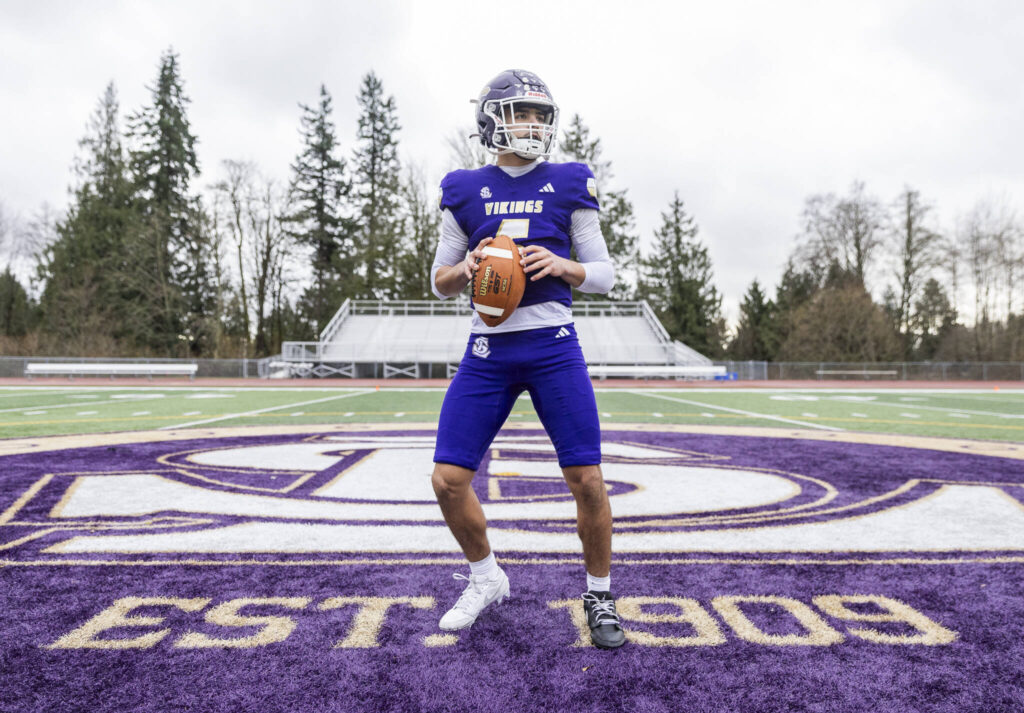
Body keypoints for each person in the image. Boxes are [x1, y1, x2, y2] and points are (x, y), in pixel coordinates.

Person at [429, 69, 625, 649]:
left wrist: (562, 266)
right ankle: (486, 577)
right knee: (447, 479)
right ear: (491, 118)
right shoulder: (463, 187)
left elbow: (606, 275)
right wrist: (465, 270)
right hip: (488, 350)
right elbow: (438, 279)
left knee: (586, 479)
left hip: (553, 347)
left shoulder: (570, 181)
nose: (533, 124)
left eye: (541, 115)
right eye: (521, 112)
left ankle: (599, 593)